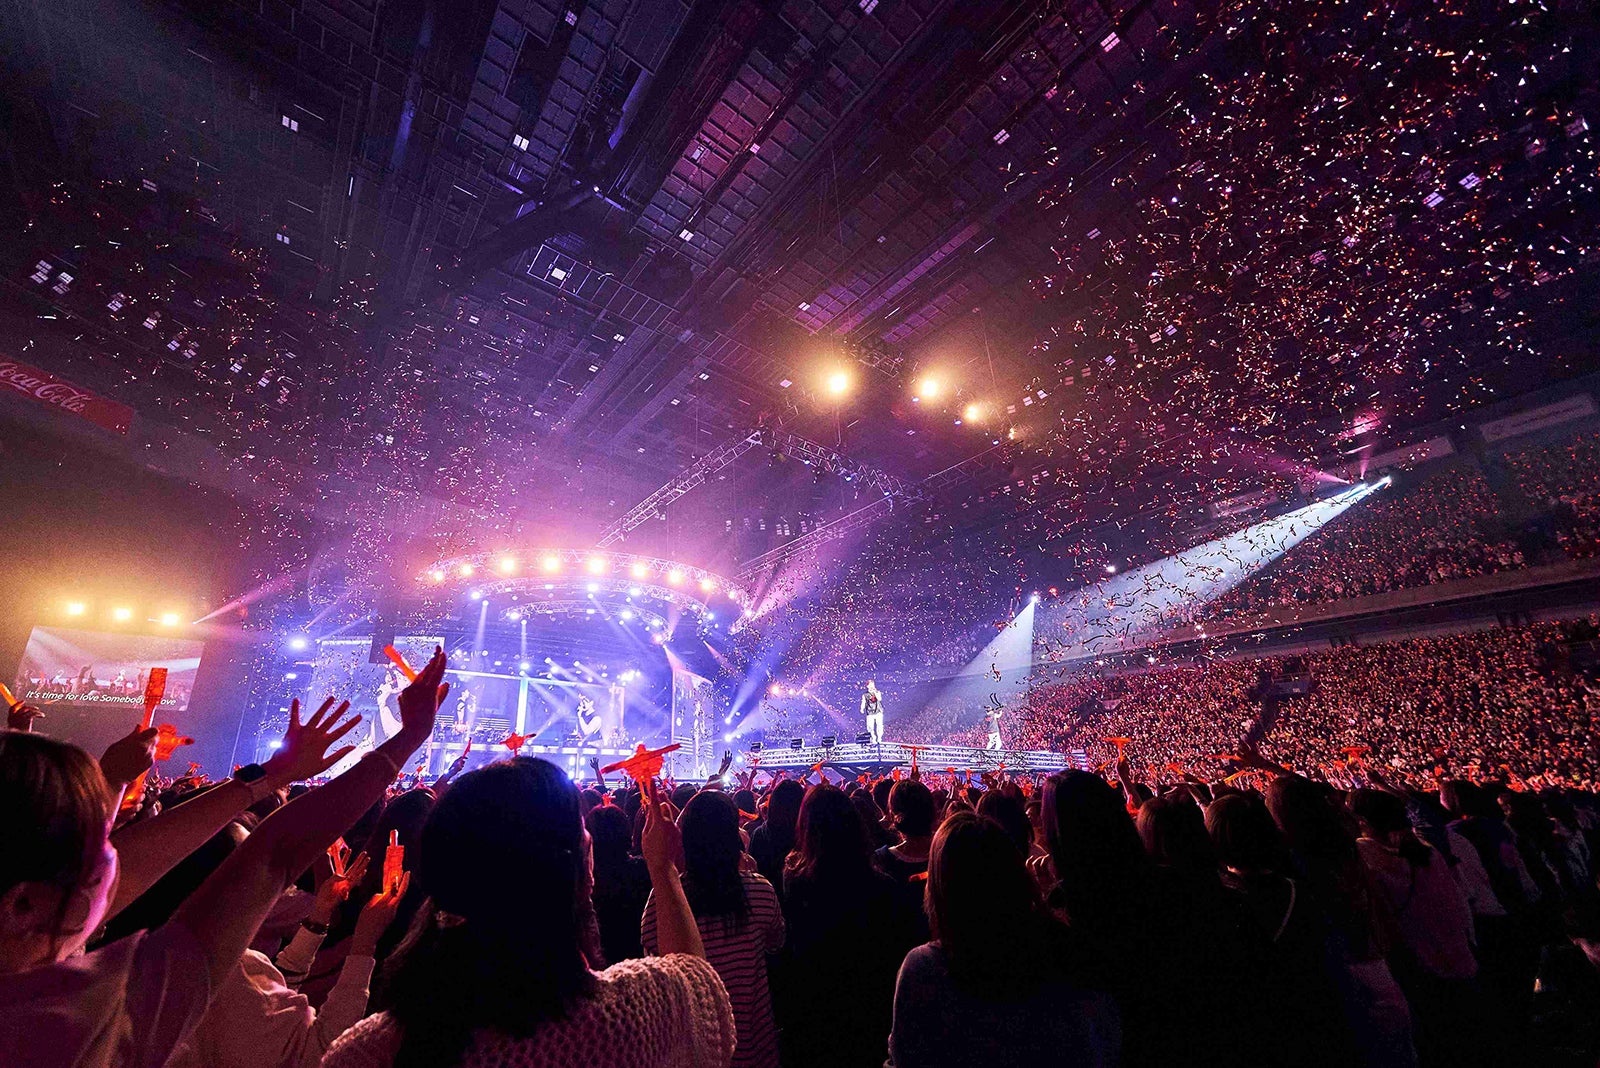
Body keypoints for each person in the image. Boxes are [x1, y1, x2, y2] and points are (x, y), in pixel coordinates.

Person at [0, 648, 452, 1068]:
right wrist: (409, 737)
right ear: (22, 905)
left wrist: (117, 781)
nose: (118, 847)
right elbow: (273, 855)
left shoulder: (38, 971)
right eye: (100, 844)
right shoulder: (72, 1027)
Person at [322, 760, 735, 1068]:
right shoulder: (638, 1014)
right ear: (577, 869)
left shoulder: (366, 1051)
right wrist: (664, 870)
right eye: (581, 829)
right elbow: (697, 987)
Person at [886, 812, 1120, 1067]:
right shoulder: (1064, 950)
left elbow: (904, 1057)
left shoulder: (924, 968)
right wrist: (1050, 911)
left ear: (940, 885)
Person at [776, 784, 917, 1068]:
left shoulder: (795, 880)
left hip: (815, 1008)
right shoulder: (883, 887)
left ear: (806, 827)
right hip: (868, 1010)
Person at [643, 790, 784, 1068]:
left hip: (695, 1053)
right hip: (755, 1048)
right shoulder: (760, 891)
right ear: (734, 835)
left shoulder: (666, 900)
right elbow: (776, 942)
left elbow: (652, 959)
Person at [861, 681, 885, 745]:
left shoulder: (877, 692)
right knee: (870, 727)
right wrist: (862, 708)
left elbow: (879, 699)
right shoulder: (865, 695)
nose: (872, 686)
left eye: (873, 685)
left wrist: (875, 692)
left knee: (879, 725)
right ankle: (873, 739)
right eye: (870, 685)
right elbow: (863, 702)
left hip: (878, 710)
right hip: (870, 712)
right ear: (867, 686)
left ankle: (879, 738)